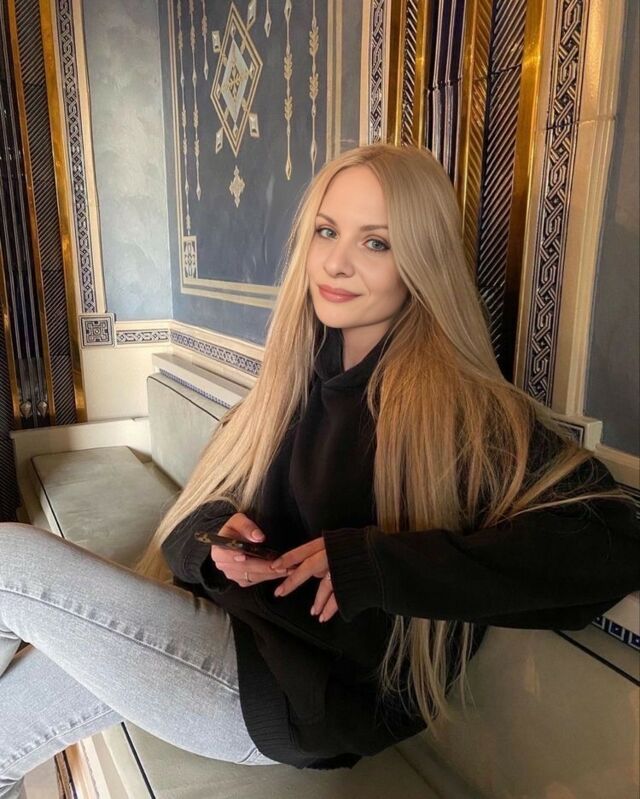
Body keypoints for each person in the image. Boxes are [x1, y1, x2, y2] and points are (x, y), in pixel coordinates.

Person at [0, 144, 638, 795]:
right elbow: (188, 522)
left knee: (7, 560)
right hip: (219, 634)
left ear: (422, 261)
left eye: (376, 243)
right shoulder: (288, 385)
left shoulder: (462, 413)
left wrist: (377, 565)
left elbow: (614, 542)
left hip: (294, 698)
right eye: (327, 232)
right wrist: (217, 542)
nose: (336, 262)